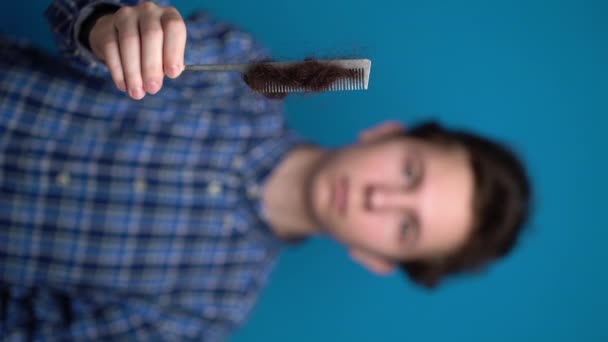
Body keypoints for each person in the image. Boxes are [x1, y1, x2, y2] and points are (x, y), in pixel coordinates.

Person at [0, 0, 532, 340]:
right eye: (409, 173)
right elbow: (78, 11)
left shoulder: (202, 317)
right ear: (386, 133)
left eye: (405, 226)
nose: (379, 198)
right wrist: (105, 23)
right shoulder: (237, 68)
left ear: (377, 259)